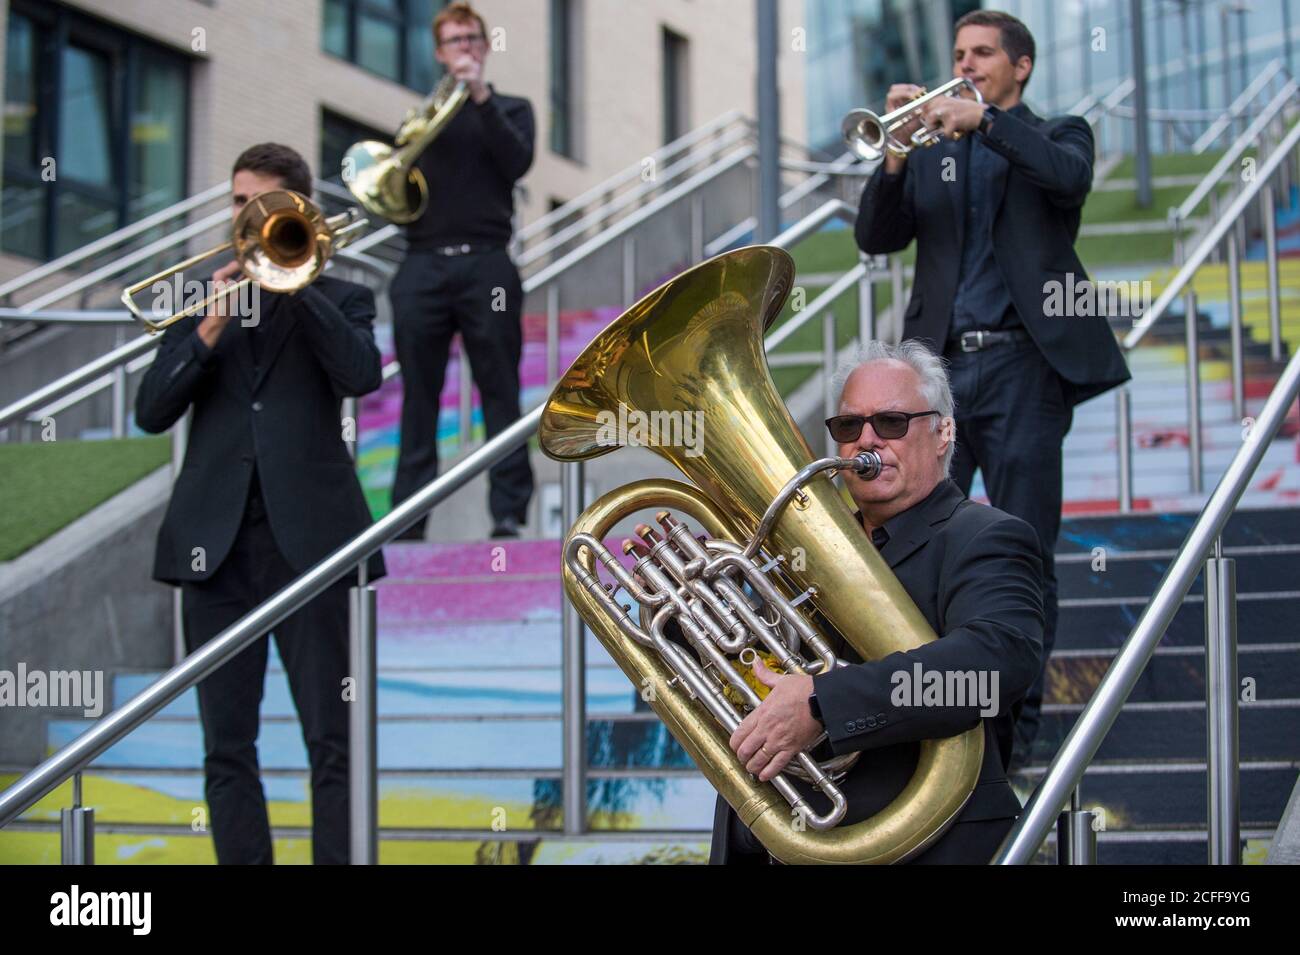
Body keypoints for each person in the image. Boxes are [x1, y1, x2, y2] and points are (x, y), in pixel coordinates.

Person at [854, 9, 1130, 769]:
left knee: (1024, 551)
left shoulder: (1059, 133)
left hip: (1020, 370)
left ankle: (1011, 746)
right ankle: (914, 722)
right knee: (910, 539)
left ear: (1022, 66)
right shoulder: (934, 153)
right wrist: (898, 156)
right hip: (938, 375)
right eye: (958, 54)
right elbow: (874, 238)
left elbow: (1067, 177)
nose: (966, 63)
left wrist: (984, 122)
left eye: (982, 54)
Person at [135, 142, 386, 865]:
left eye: (258, 203)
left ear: (296, 211)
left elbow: (362, 373)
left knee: (331, 739)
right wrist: (209, 326)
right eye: (238, 201)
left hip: (310, 549)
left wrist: (294, 283)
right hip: (210, 551)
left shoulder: (341, 299)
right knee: (226, 745)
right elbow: (152, 410)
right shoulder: (201, 296)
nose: (242, 214)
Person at [711, 341, 1044, 864]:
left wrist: (825, 703)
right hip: (779, 840)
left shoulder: (986, 536)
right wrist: (691, 621)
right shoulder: (796, 548)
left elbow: (992, 667)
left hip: (926, 846)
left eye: (891, 422)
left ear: (944, 432)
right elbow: (753, 672)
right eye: (848, 427)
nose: (866, 440)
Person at [390, 1, 535, 540]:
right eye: (454, 41)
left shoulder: (512, 108)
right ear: (439, 51)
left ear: (485, 45)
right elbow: (394, 194)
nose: (464, 48)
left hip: (487, 264)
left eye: (472, 39)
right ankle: (407, 520)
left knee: (500, 389)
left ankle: (507, 514)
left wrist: (480, 98)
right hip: (423, 264)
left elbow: (517, 162)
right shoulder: (417, 120)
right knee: (418, 396)